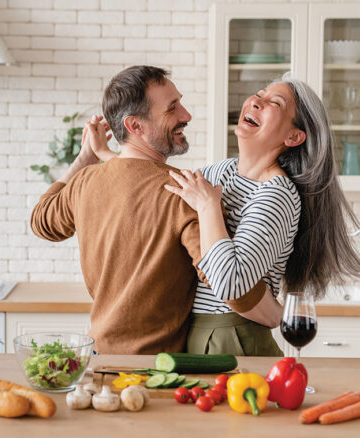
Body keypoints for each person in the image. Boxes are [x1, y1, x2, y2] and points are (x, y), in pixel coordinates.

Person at [92, 74, 360, 355]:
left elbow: (231, 284)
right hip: (195, 334)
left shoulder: (276, 194)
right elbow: (163, 185)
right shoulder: (223, 171)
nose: (256, 101)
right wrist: (106, 153)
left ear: (293, 137)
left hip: (235, 337)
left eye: (274, 103)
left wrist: (209, 208)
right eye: (259, 93)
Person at [31, 65, 250, 354]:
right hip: (155, 369)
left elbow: (41, 221)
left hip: (98, 357)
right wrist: (273, 312)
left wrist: (84, 158)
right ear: (135, 126)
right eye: (172, 109)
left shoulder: (85, 181)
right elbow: (227, 283)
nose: (186, 115)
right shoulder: (184, 192)